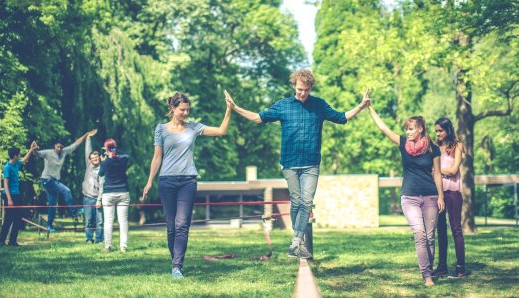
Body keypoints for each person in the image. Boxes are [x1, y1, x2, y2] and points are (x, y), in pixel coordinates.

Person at [224, 69, 370, 259]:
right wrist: (235, 108)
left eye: (307, 90)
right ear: (294, 85)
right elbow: (258, 118)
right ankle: (298, 242)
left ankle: (296, 241)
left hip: (311, 164)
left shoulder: (319, 105)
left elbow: (341, 117)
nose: (303, 93)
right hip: (290, 163)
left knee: (306, 202)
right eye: (300, 89)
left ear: (311, 88)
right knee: (296, 201)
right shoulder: (283, 106)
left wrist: (361, 106)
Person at [142, 92, 232, 279]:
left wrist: (229, 110)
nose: (185, 113)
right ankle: (175, 259)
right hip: (166, 180)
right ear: (173, 108)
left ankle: (177, 266)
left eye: (187, 110)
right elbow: (157, 157)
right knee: (171, 227)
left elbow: (221, 131)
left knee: (182, 224)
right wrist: (149, 180)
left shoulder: (194, 127)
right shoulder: (161, 129)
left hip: (188, 181)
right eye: (182, 109)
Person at [368, 105, 445, 287]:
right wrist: (369, 107)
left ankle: (429, 269)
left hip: (430, 196)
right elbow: (383, 128)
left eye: (410, 128)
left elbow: (437, 174)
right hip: (409, 196)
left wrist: (441, 196)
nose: (407, 131)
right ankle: (426, 275)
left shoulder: (433, 149)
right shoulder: (403, 143)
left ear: (420, 129)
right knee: (419, 233)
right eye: (406, 129)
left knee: (430, 237)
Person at [35, 130, 94, 232]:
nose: (59, 149)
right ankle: (75, 212)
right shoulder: (48, 153)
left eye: (61, 147)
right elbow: (37, 154)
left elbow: (75, 144)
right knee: (66, 191)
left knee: (53, 204)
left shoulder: (64, 152)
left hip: (53, 181)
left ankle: (49, 225)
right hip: (47, 180)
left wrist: (86, 134)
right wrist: (33, 149)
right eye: (58, 147)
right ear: (54, 146)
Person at [432, 117, 466, 278]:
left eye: (441, 130)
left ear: (448, 130)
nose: (438, 133)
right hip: (438, 193)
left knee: (456, 229)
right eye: (436, 131)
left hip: (453, 193)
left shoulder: (458, 146)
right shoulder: (434, 148)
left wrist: (437, 171)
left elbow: (453, 170)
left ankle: (460, 269)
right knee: (441, 231)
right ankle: (442, 267)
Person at [0, 141, 37, 246]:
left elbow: (24, 160)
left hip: (17, 194)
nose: (20, 156)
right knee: (8, 219)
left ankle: (12, 241)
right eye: (19, 154)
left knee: (18, 218)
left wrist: (31, 150)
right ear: (15, 156)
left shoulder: (16, 164)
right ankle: (1, 241)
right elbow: (5, 184)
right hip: (9, 196)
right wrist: (9, 199)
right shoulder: (7, 167)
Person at [96, 138, 130, 252]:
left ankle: (108, 246)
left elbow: (100, 174)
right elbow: (127, 155)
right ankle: (123, 246)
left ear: (105, 149)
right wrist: (113, 150)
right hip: (123, 192)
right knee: (123, 221)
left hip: (108, 193)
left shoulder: (105, 162)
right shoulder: (123, 160)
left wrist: (104, 158)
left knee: (108, 221)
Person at [82, 129, 103, 244]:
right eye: (93, 158)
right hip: (87, 197)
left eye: (97, 158)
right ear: (90, 160)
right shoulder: (89, 166)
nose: (95, 159)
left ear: (99, 158)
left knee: (99, 221)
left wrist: (99, 200)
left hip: (98, 198)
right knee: (89, 220)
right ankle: (89, 239)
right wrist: (88, 138)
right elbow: (87, 151)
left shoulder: (102, 168)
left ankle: (99, 239)